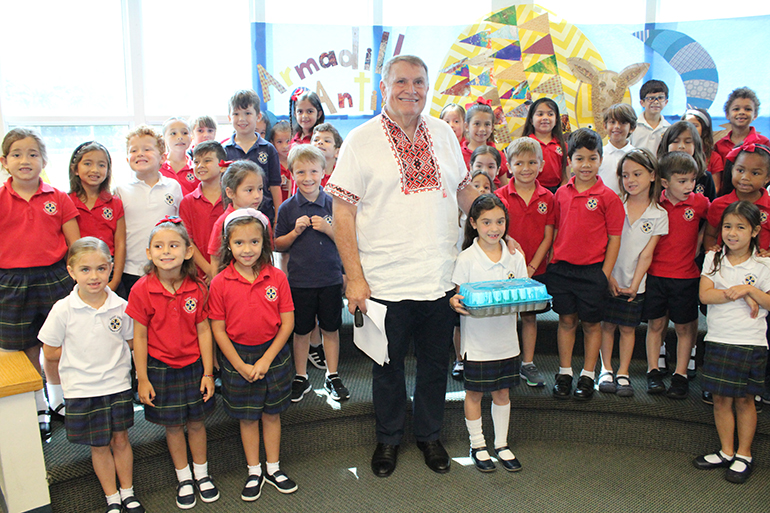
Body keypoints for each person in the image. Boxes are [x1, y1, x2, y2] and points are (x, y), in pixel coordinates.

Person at [327, 55, 478, 478]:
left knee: (435, 365)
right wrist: (353, 278)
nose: (411, 89)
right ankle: (389, 439)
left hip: (440, 278)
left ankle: (429, 436)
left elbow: (464, 192)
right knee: (387, 368)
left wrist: (493, 221)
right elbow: (342, 214)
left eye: (419, 82)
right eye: (401, 82)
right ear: (384, 86)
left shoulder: (446, 134)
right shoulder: (361, 139)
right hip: (383, 282)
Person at [39, 237, 145, 513]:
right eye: (85, 270)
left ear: (111, 267)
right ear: (71, 271)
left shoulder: (120, 306)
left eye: (101, 268)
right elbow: (50, 352)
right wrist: (82, 359)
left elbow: (132, 342)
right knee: (99, 446)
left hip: (117, 385)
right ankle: (112, 498)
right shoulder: (63, 309)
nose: (94, 276)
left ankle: (128, 492)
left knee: (121, 439)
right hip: (83, 390)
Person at [128, 218, 218, 509]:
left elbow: (204, 330)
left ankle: (202, 475)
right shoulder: (142, 289)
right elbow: (139, 337)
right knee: (173, 426)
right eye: (159, 246)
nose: (166, 251)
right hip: (160, 368)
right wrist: (142, 378)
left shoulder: (198, 287)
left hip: (194, 366)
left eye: (173, 245)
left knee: (196, 422)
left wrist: (208, 372)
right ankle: (184, 478)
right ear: (148, 252)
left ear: (188, 251)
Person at [209, 209, 297, 500]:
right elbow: (218, 330)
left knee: (272, 415)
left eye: (254, 242)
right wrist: (239, 365)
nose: (247, 250)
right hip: (238, 358)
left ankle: (273, 467)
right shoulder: (220, 283)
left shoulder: (277, 277)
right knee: (247, 418)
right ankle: (254, 471)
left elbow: (287, 324)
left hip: (273, 355)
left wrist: (265, 360)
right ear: (228, 245)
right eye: (239, 243)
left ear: (264, 243)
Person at [0, 128, 80, 439]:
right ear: (5, 161)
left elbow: (75, 245)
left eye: (33, 154)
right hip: (11, 282)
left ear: (44, 160)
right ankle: (38, 405)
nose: (25, 160)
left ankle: (60, 400)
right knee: (25, 346)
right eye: (17, 154)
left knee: (58, 344)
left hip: (54, 276)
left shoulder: (58, 197)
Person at [450, 194, 527, 473]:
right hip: (477, 343)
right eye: (486, 222)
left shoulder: (515, 256)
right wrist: (455, 303)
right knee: (473, 394)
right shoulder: (466, 258)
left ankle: (502, 444)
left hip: (506, 341)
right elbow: (458, 297)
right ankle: (478, 444)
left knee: (502, 392)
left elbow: (522, 292)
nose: (494, 228)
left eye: (500, 221)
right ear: (473, 223)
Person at [695, 201, 770, 484]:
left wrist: (749, 289)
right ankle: (726, 451)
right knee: (720, 399)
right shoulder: (713, 259)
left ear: (755, 231)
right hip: (718, 337)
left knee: (744, 399)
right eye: (727, 226)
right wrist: (738, 294)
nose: (732, 233)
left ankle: (744, 454)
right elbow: (705, 295)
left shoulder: (764, 263)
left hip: (750, 342)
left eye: (740, 227)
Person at [549, 128, 624, 400]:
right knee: (566, 320)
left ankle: (588, 374)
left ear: (601, 160)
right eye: (579, 159)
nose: (586, 165)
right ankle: (565, 372)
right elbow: (556, 231)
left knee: (592, 325)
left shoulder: (608, 198)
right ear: (570, 161)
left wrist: (603, 274)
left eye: (592, 158)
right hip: (563, 270)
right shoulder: (560, 194)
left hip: (593, 272)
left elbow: (614, 239)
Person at [274, 145, 348, 402]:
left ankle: (333, 374)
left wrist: (328, 230)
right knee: (301, 330)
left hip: (329, 280)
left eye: (313, 171)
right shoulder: (286, 208)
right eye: (301, 171)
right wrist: (294, 233)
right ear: (292, 174)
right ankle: (301, 376)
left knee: (330, 328)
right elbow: (277, 244)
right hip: (300, 282)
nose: (307, 177)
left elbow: (347, 241)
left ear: (323, 172)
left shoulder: (334, 205)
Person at [598, 149, 668, 396]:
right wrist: (609, 277)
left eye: (637, 174)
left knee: (628, 328)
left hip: (635, 283)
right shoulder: (614, 203)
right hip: (609, 276)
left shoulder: (659, 214)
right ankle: (605, 369)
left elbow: (647, 254)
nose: (630, 180)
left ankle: (623, 371)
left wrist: (635, 284)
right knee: (607, 326)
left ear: (652, 175)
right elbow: (605, 243)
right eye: (625, 175)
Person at [644, 152, 710, 398]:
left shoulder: (700, 203)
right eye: (682, 181)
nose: (689, 186)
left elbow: (713, 223)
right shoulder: (654, 203)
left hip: (686, 277)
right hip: (656, 275)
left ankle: (680, 375)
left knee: (684, 327)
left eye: (692, 180)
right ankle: (653, 372)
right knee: (656, 324)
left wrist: (701, 242)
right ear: (664, 182)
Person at [497, 137, 555, 387]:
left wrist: (530, 268)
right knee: (504, 316)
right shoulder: (500, 196)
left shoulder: (548, 198)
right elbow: (496, 232)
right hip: (504, 270)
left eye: (532, 162)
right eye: (519, 163)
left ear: (541, 165)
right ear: (509, 166)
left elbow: (548, 236)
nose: (526, 168)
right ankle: (503, 360)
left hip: (535, 270)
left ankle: (527, 363)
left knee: (529, 318)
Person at [115, 125, 183, 296]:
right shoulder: (120, 191)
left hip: (167, 267)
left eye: (147, 149)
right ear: (127, 158)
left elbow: (181, 227)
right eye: (134, 150)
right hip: (131, 270)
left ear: (163, 157)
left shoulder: (173, 187)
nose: (140, 153)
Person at [68, 141, 126, 294]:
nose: (95, 170)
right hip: (79, 271)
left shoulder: (115, 202)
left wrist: (116, 280)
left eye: (101, 165)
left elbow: (120, 243)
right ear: (75, 169)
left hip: (107, 269)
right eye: (88, 163)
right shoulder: (66, 201)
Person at [223, 89, 282, 224]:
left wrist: (278, 218)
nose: (242, 119)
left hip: (264, 215)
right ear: (229, 118)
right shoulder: (224, 150)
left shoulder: (268, 149)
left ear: (258, 116)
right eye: (236, 114)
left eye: (248, 113)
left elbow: (275, 186)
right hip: (234, 219)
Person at [704, 143, 770, 252]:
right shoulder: (719, 204)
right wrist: (712, 252)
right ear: (732, 170)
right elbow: (710, 235)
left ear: (767, 178)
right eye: (740, 170)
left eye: (755, 173)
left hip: (761, 267)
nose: (745, 177)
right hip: (726, 265)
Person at [179, 140, 227, 283]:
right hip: (199, 275)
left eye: (207, 161)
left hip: (229, 271)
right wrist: (210, 270)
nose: (200, 166)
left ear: (222, 166)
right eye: (196, 162)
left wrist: (218, 270)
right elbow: (188, 241)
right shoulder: (187, 202)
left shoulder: (232, 198)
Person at [207, 160, 266, 275]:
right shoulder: (222, 223)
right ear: (230, 193)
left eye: (260, 189)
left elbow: (267, 254)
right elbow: (215, 260)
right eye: (249, 190)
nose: (257, 196)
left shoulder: (263, 220)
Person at [714, 88, 770, 195]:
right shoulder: (719, 145)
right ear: (727, 115)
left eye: (748, 109)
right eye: (736, 109)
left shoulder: (764, 142)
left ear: (755, 115)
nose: (741, 112)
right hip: (727, 197)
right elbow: (719, 178)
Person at [657, 121, 716, 201]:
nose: (681, 146)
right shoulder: (656, 175)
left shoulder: (705, 177)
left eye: (688, 142)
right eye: (675, 141)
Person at [522, 97, 568, 191]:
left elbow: (565, 176)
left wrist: (561, 192)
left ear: (556, 120)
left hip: (557, 191)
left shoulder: (562, 145)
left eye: (550, 114)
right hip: (531, 190)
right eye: (540, 114)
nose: (545, 118)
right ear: (531, 120)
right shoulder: (524, 143)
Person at [462, 99, 508, 186]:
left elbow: (504, 188)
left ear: (492, 127)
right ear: (467, 126)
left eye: (487, 124)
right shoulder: (458, 154)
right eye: (477, 124)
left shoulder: (499, 155)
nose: (482, 129)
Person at [598, 103, 637, 196]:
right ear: (604, 126)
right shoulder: (599, 155)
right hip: (603, 204)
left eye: (623, 123)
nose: (617, 126)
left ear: (632, 128)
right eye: (612, 122)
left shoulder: (638, 155)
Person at [682, 108, 723, 194]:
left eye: (695, 125)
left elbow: (715, 187)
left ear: (704, 129)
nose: (690, 129)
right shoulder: (677, 154)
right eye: (686, 125)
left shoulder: (714, 157)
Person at [630, 79, 670, 154]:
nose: (656, 102)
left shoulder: (668, 128)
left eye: (660, 98)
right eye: (651, 98)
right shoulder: (632, 126)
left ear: (666, 102)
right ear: (642, 103)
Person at [160, 117, 198, 196]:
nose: (180, 137)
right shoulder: (157, 167)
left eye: (184, 133)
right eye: (173, 133)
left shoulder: (196, 168)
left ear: (191, 138)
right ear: (164, 139)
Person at [311, 122, 343, 187]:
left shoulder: (342, 176)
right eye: (316, 140)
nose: (320, 142)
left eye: (327, 141)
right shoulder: (304, 174)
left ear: (337, 152)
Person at [270, 120, 293, 202]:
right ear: (272, 143)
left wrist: (293, 183)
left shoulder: (297, 163)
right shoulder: (272, 164)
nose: (285, 146)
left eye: (288, 141)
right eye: (279, 142)